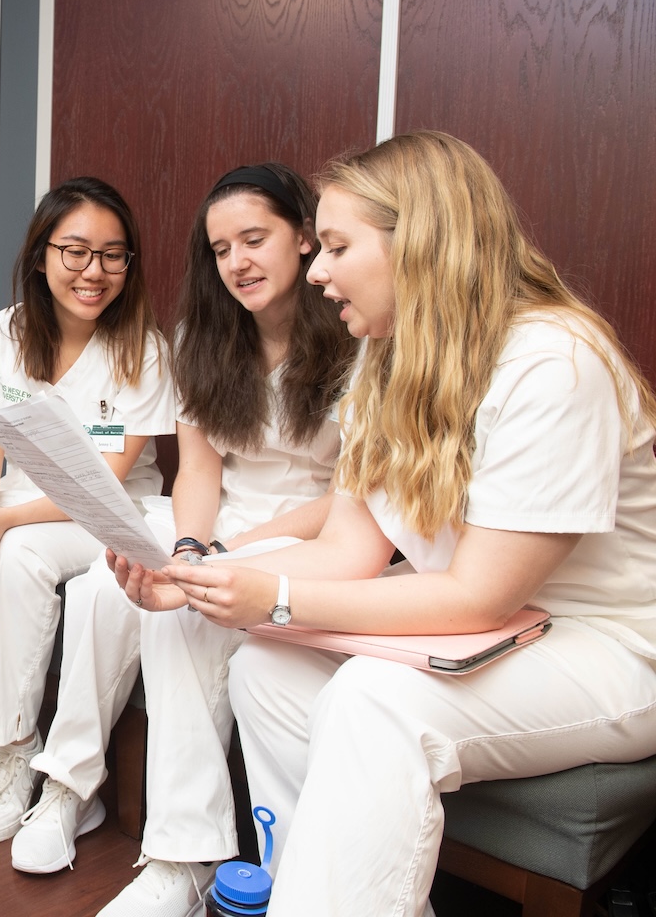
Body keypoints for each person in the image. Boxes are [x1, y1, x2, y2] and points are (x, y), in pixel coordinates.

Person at [120, 131, 656, 917]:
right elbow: (348, 548)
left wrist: (272, 597)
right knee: (265, 671)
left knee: (374, 699)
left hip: (606, 642)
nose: (316, 269)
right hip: (492, 621)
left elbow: (478, 597)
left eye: (335, 245)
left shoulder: (555, 361)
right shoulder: (383, 357)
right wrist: (199, 576)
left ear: (424, 242)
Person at [13, 164, 354, 914]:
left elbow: (350, 504)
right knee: (110, 582)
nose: (238, 261)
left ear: (305, 238)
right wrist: (194, 547)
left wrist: (225, 560)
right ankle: (70, 788)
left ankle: (186, 858)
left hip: (316, 531)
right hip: (218, 517)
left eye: (255, 239)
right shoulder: (205, 335)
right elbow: (198, 470)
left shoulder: (357, 333)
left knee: (183, 618)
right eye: (222, 247)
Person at [0, 177, 176, 844]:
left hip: (109, 510)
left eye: (114, 255)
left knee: (18, 556)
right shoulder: (9, 332)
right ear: (41, 255)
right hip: (14, 499)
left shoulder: (144, 347)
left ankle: (15, 745)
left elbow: (107, 480)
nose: (95, 272)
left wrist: (1, 524)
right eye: (76, 252)